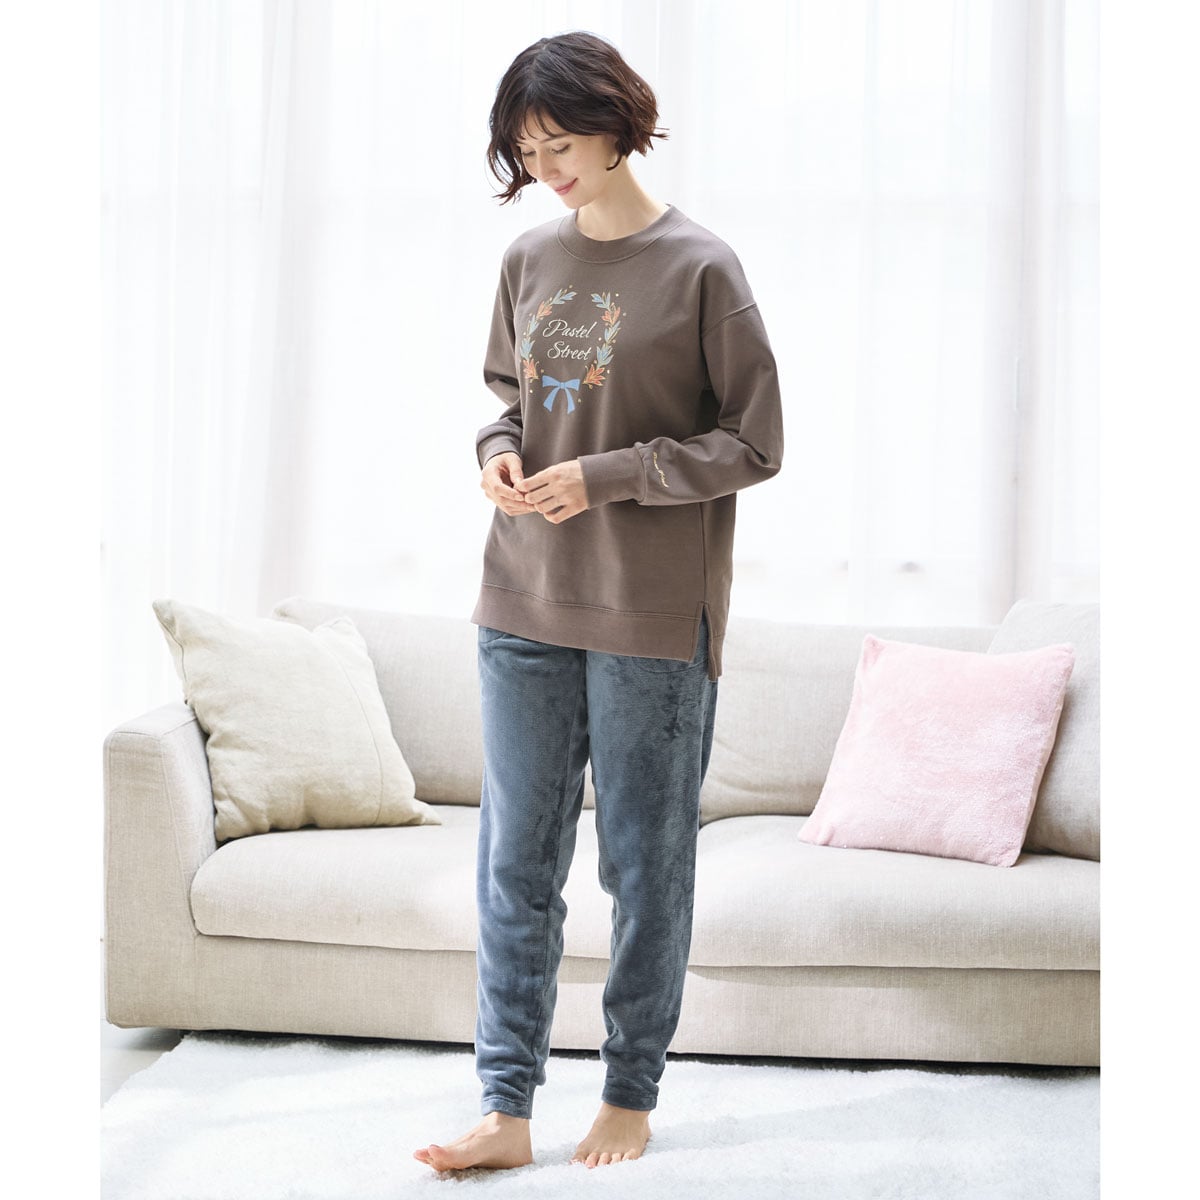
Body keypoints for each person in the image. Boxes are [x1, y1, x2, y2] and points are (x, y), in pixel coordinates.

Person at [414, 30, 783, 1173]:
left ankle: (629, 1092)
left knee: (642, 866)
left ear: (620, 124)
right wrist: (498, 455)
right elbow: (508, 399)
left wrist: (608, 475)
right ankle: (505, 1108)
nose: (545, 172)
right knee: (514, 865)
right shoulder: (530, 259)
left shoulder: (702, 268)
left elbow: (755, 442)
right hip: (521, 597)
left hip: (653, 615)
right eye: (526, 155)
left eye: (559, 146)